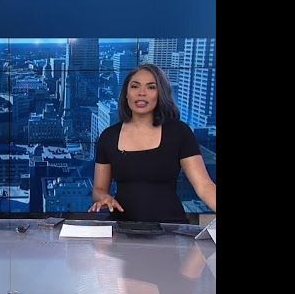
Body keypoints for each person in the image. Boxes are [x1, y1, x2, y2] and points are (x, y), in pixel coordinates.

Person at [88, 63, 216, 223]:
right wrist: (104, 198)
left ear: (160, 94)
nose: (141, 93)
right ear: (126, 94)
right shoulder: (109, 136)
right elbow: (99, 189)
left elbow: (204, 186)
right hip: (122, 229)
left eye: (151, 87)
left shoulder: (179, 132)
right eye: (135, 86)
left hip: (170, 229)